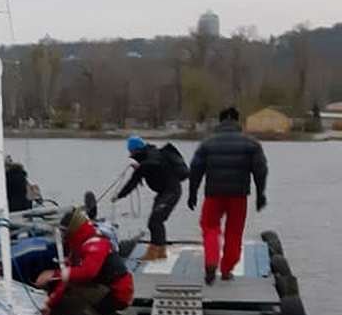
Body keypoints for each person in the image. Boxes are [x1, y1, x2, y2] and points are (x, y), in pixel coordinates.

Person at [187, 107, 268, 285]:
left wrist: (192, 193)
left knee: (210, 228)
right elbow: (260, 170)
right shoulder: (251, 144)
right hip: (239, 196)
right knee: (234, 232)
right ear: (238, 122)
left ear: (220, 121)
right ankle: (226, 270)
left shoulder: (207, 144)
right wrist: (260, 193)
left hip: (213, 194)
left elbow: (195, 170)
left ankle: (210, 263)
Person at [35, 207, 134, 315]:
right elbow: (66, 279)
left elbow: (88, 272)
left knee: (71, 290)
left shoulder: (96, 244)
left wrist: (54, 274)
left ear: (73, 229)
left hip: (118, 292)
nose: (63, 235)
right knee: (65, 293)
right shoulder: (78, 247)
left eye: (64, 231)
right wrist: (49, 304)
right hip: (104, 288)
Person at [113, 136, 186, 260]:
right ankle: (161, 252)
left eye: (131, 151)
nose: (130, 154)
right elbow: (133, 182)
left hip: (172, 191)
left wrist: (140, 167)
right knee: (155, 221)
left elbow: (154, 163)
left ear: (135, 150)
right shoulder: (145, 160)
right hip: (164, 193)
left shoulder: (151, 156)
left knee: (155, 221)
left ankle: (153, 252)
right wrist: (119, 196)